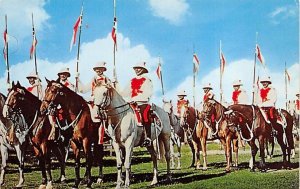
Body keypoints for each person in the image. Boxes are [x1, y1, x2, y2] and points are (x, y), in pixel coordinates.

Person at [77, 61, 111, 145]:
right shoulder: (93, 79)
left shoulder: (106, 78)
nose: (98, 70)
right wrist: (78, 80)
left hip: (103, 102)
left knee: (100, 118)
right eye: (96, 69)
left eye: (100, 69)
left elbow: (111, 89)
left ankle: (103, 136)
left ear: (103, 69)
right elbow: (83, 90)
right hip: (93, 101)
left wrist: (112, 82)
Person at [122, 61, 153, 146]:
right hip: (131, 102)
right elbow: (125, 92)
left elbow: (148, 92)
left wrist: (137, 99)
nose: (137, 70)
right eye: (135, 68)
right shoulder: (131, 80)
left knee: (145, 115)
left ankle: (148, 137)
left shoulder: (147, 79)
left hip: (142, 102)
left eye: (138, 68)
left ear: (143, 69)